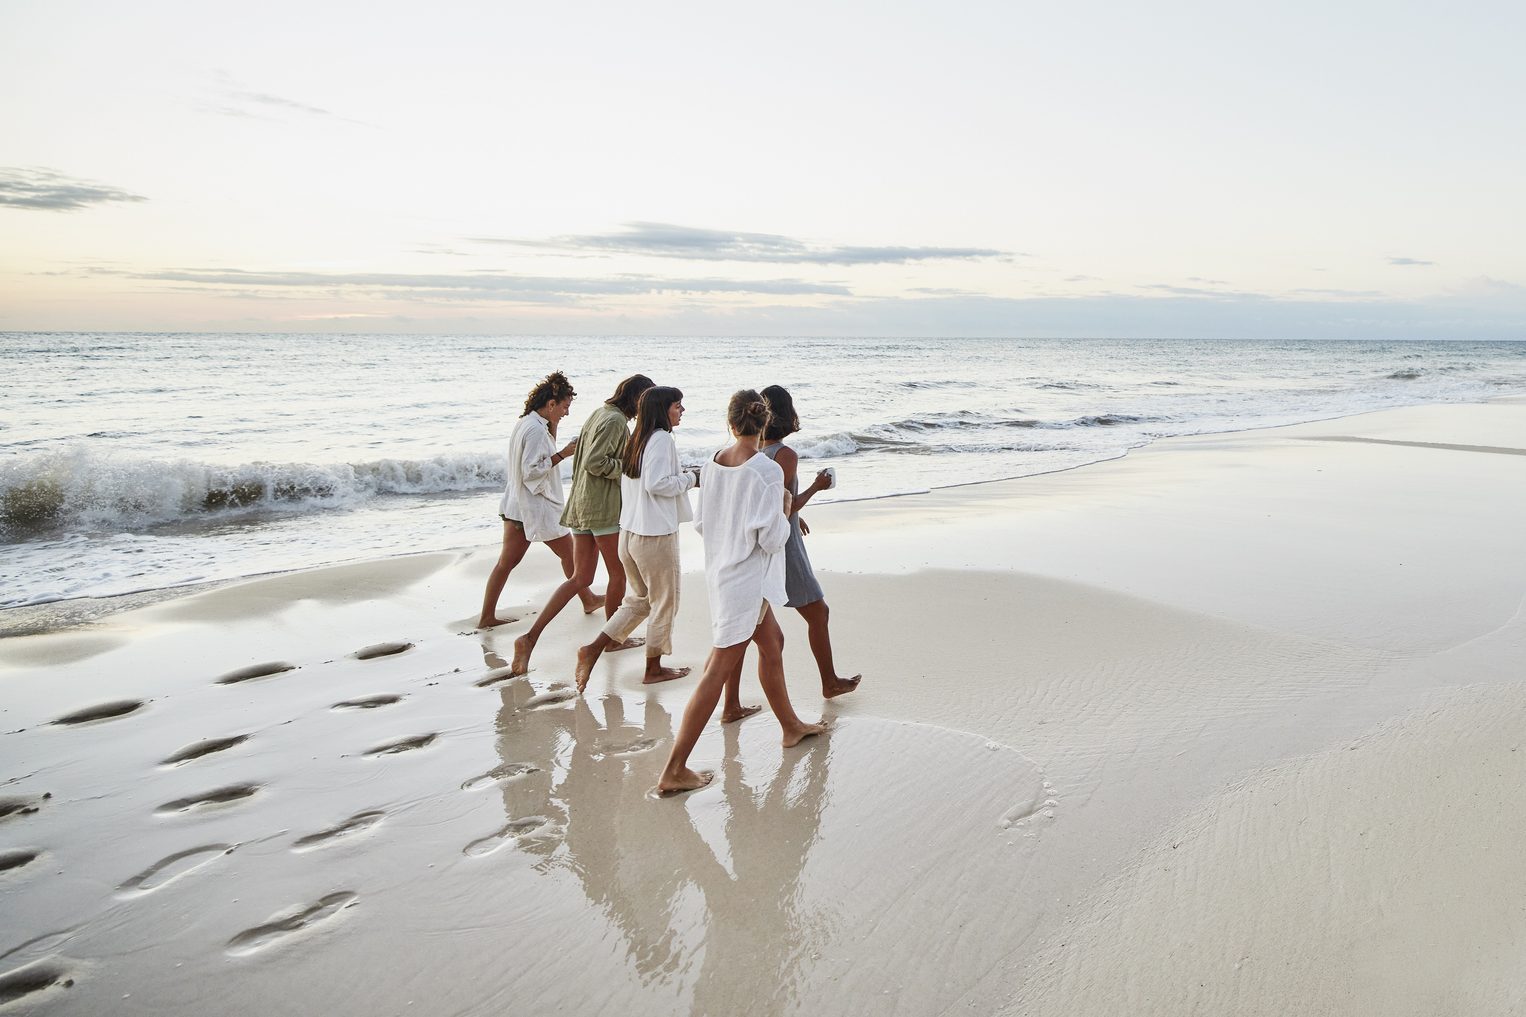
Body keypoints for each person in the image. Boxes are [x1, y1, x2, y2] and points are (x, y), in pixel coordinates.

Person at [657, 391, 826, 796]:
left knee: (773, 642)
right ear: (763, 425)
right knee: (717, 669)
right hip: (746, 581)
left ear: (730, 424)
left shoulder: (713, 463)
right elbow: (770, 540)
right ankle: (673, 770)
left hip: (720, 572)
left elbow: (701, 524)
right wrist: (785, 509)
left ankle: (790, 726)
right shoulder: (766, 472)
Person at [512, 375, 652, 674]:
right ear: (637, 399)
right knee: (618, 575)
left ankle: (529, 638)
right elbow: (595, 462)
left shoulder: (600, 413)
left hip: (582, 503)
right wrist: (631, 467)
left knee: (580, 578)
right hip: (601, 507)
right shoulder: (615, 421)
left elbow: (583, 460)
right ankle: (613, 639)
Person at [575, 386, 696, 693]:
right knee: (664, 602)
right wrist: (692, 479)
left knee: (640, 600)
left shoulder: (636, 438)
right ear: (663, 409)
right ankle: (653, 669)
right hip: (653, 535)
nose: (682, 411)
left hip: (629, 534)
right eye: (678, 406)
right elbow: (657, 484)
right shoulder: (660, 439)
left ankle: (592, 649)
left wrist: (682, 477)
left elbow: (645, 482)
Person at [760, 385, 861, 698]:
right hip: (785, 546)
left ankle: (731, 699)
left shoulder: (758, 451)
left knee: (751, 626)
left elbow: (772, 500)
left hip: (769, 541)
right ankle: (829, 683)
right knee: (819, 613)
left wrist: (795, 516)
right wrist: (818, 486)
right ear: (786, 414)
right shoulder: (785, 455)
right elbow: (783, 504)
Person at [478, 371, 601, 629]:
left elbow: (537, 456)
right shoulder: (534, 430)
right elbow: (531, 470)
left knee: (507, 562)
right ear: (551, 403)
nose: (567, 413)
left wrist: (554, 429)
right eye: (565, 407)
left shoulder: (529, 423)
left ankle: (486, 616)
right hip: (534, 506)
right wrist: (564, 454)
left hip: (517, 506)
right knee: (572, 556)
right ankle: (588, 599)